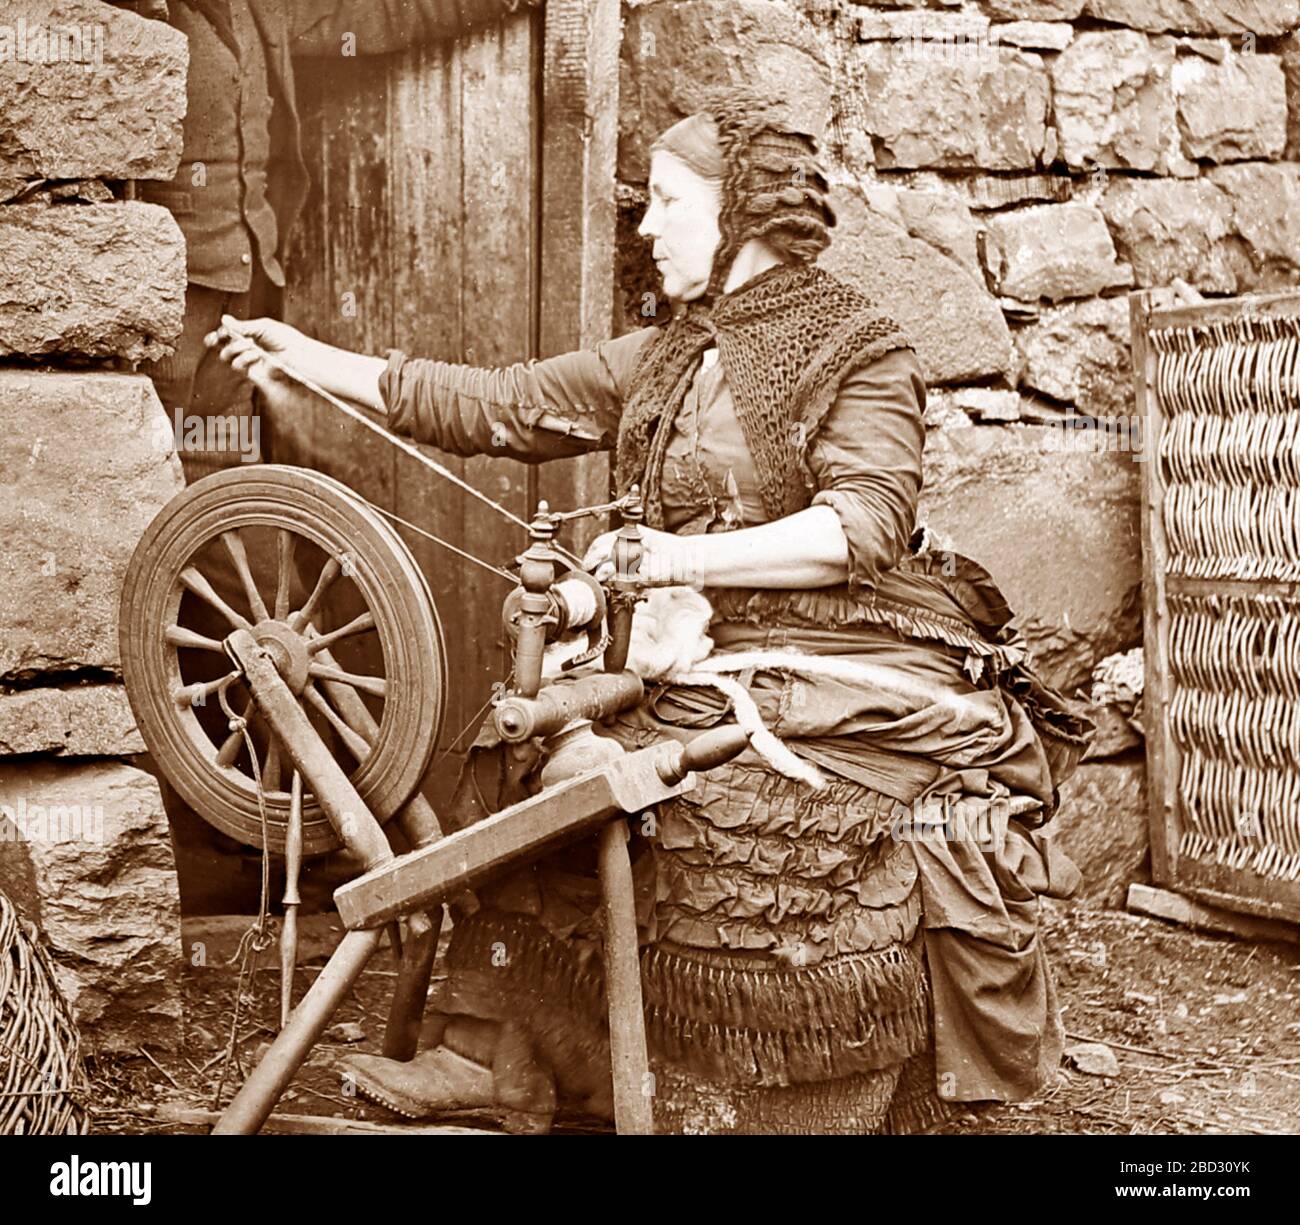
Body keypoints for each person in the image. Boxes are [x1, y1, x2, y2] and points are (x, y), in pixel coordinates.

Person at [210, 88, 1091, 1135]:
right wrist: (306, 358)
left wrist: (674, 555)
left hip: (849, 660)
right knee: (525, 751)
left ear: (742, 214)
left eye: (667, 203)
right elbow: (498, 401)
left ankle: (737, 1092)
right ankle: (499, 1053)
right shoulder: (668, 353)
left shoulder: (860, 349)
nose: (644, 226)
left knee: (706, 812)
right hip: (705, 661)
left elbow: (860, 529)